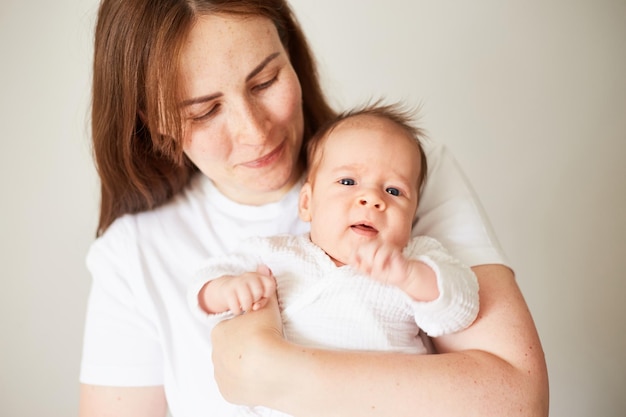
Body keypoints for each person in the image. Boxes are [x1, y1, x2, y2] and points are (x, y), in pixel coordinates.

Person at [79, 1, 549, 416]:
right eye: (204, 111)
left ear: (292, 56)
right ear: (153, 120)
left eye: (265, 80)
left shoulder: (398, 174)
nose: (255, 132)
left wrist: (271, 370)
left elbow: (517, 402)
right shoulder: (133, 254)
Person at [189, 103, 479, 361]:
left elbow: (461, 310)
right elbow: (202, 285)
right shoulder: (275, 254)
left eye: (393, 190)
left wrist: (411, 276)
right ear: (306, 203)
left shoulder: (415, 259)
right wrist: (226, 289)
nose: (372, 199)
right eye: (348, 181)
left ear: (413, 215)